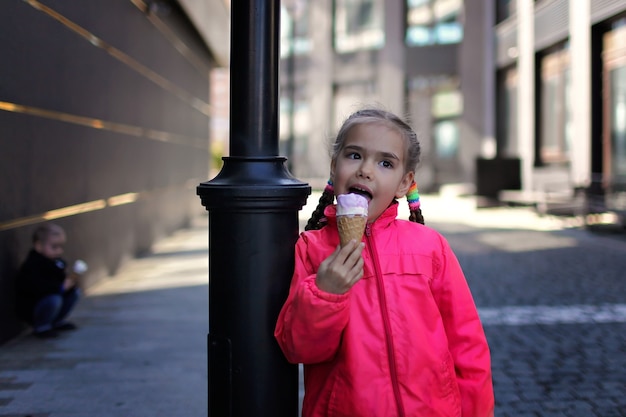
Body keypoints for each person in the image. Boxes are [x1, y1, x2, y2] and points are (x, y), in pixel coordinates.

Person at [274, 108, 494, 416]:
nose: (366, 170)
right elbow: (299, 348)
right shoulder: (311, 249)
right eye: (354, 156)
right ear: (334, 167)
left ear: (404, 184)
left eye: (385, 162)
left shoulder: (431, 248)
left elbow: (467, 345)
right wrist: (325, 293)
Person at [15, 223, 81, 339]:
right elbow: (38, 288)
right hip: (34, 306)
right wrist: (60, 287)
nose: (59, 251)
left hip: (52, 298)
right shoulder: (33, 265)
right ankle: (42, 326)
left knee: (74, 293)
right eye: (54, 247)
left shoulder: (56, 262)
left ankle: (56, 321)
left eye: (61, 247)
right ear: (39, 246)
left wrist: (70, 283)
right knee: (54, 299)